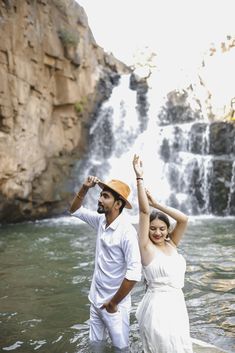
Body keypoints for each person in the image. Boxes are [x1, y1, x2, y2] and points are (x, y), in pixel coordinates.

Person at [69, 176, 142, 352]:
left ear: (118, 204)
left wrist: (113, 303)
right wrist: (84, 188)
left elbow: (134, 274)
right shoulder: (101, 220)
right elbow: (75, 211)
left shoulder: (127, 232)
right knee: (96, 347)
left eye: (105, 196)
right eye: (101, 194)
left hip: (114, 306)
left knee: (121, 348)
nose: (100, 199)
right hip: (95, 300)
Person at [132, 154, 193, 353]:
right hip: (158, 309)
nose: (157, 232)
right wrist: (139, 178)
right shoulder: (145, 247)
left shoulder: (172, 244)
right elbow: (143, 212)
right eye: (152, 228)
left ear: (167, 230)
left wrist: (157, 204)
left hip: (177, 305)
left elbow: (183, 219)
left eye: (162, 228)